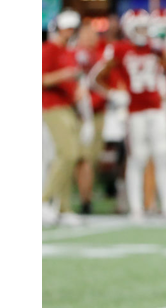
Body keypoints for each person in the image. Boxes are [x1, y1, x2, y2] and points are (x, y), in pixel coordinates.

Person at [92, 9, 166, 224]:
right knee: (138, 158)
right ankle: (136, 209)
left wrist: (165, 51)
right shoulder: (119, 49)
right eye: (139, 28)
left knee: (164, 155)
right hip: (134, 111)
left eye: (146, 27)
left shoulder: (155, 47)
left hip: (156, 108)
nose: (143, 32)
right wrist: (114, 94)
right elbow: (96, 78)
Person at [42, 10, 86, 226]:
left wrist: (76, 90)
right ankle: (43, 200)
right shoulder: (50, 49)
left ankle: (63, 206)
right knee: (67, 153)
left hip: (67, 106)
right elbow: (42, 78)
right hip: (50, 106)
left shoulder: (68, 51)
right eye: (66, 29)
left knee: (71, 156)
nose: (70, 33)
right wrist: (67, 75)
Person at [73, 24, 108, 215]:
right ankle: (84, 198)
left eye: (93, 34)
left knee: (90, 158)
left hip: (96, 113)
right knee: (78, 157)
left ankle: (86, 197)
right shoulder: (73, 53)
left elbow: (106, 81)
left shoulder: (103, 53)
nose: (90, 37)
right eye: (86, 33)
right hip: (77, 114)